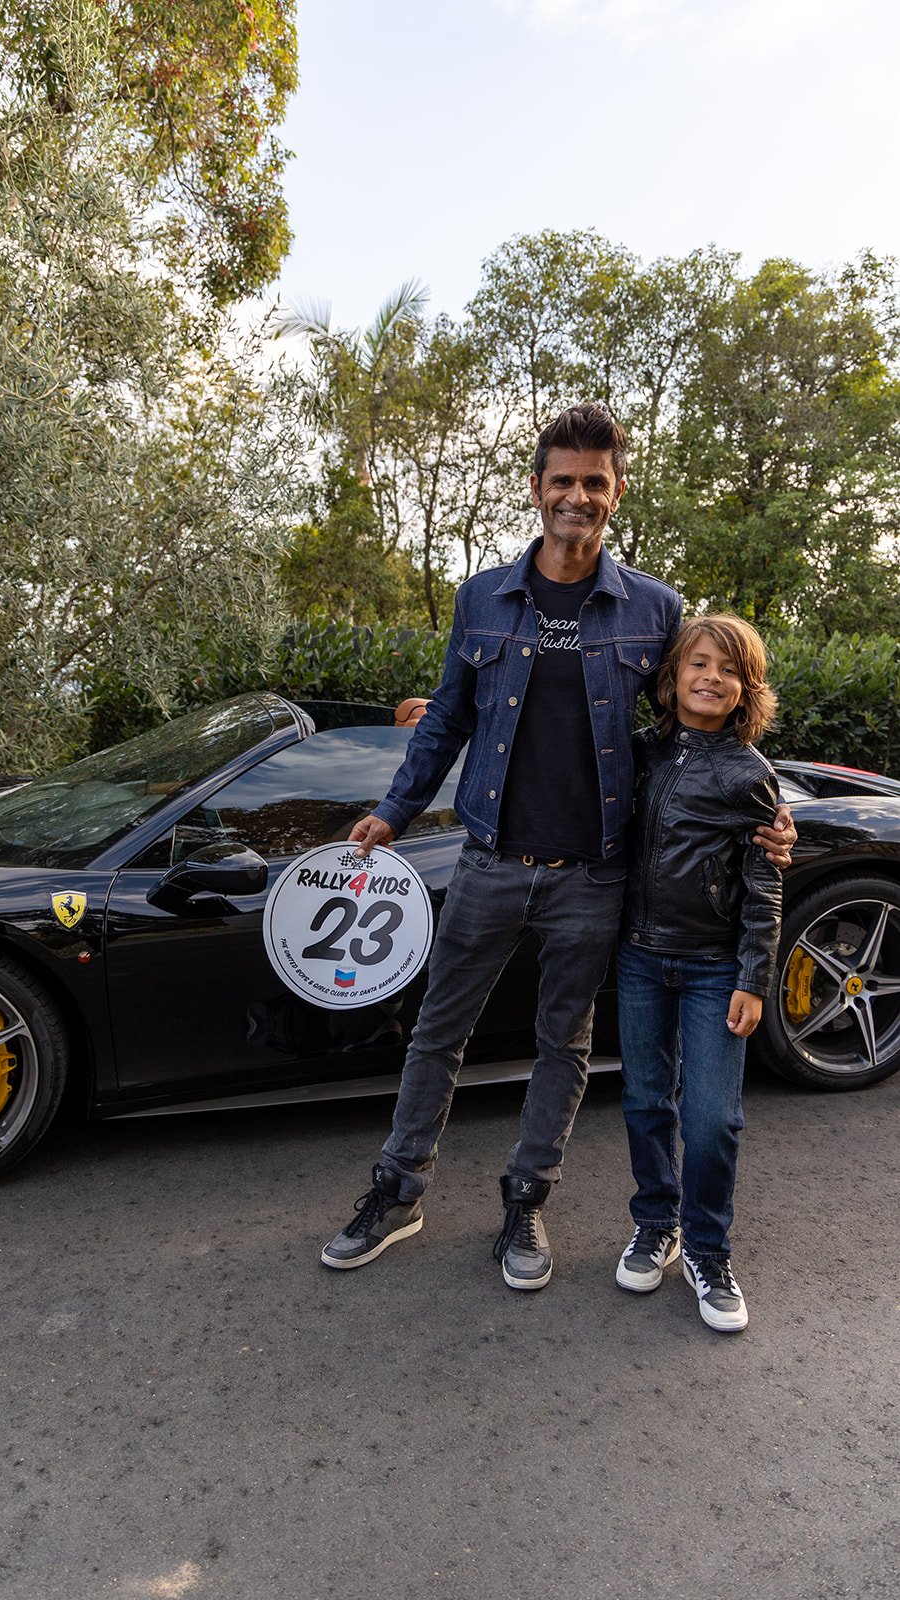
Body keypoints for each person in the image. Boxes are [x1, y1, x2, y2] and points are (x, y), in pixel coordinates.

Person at [320, 402, 794, 1291]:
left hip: (594, 877)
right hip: (492, 860)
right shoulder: (482, 597)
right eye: (563, 481)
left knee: (563, 1046)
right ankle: (399, 1188)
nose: (577, 497)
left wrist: (767, 813)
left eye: (595, 483)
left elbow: (690, 726)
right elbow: (449, 719)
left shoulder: (654, 609)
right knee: (438, 1032)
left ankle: (525, 1198)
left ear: (616, 494)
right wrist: (392, 809)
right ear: (537, 489)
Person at [613, 615, 782, 1333]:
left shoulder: (749, 774)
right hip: (639, 960)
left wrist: (754, 975)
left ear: (746, 689)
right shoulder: (637, 753)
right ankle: (658, 1223)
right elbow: (544, 746)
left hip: (717, 968)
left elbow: (764, 883)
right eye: (699, 664)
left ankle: (709, 1249)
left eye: (729, 670)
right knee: (647, 1102)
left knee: (713, 1119)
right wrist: (441, 718)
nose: (712, 678)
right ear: (672, 675)